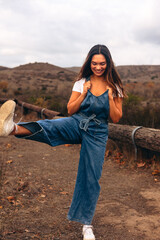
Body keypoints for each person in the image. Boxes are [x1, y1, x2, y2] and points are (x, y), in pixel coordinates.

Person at [0, 44, 125, 240]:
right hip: (78, 122)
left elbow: (116, 118)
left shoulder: (115, 87)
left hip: (98, 132)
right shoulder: (81, 82)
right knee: (53, 126)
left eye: (102, 63)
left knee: (90, 176)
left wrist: (110, 97)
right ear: (89, 63)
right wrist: (83, 93)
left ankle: (86, 225)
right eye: (94, 63)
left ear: (108, 63)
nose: (98, 67)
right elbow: (70, 109)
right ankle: (12, 128)